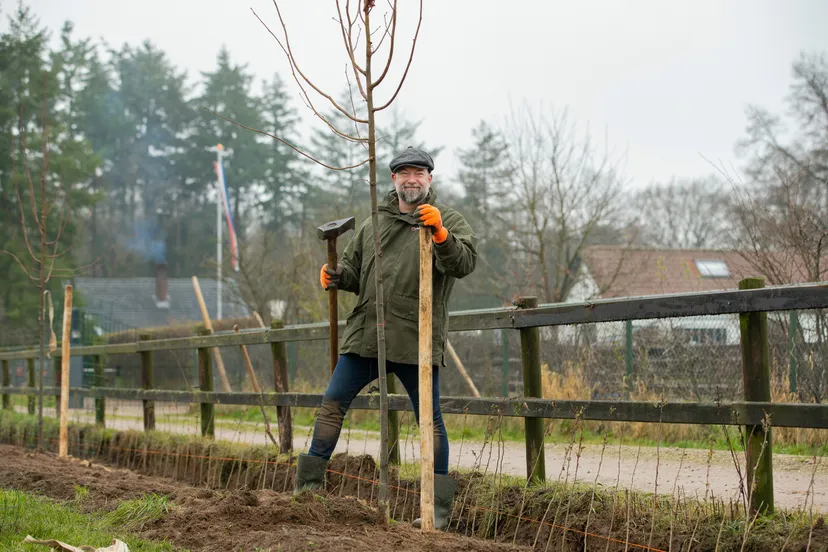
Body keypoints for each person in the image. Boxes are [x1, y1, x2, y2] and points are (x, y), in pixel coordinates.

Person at [293, 146, 478, 530]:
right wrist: (336, 276)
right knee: (331, 404)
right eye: (404, 173)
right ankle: (307, 493)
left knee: (430, 421)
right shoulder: (374, 223)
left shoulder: (449, 219)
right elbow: (358, 274)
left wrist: (441, 234)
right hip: (367, 335)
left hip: (417, 338)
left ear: (430, 179)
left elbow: (462, 263)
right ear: (393, 179)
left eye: (419, 173)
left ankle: (436, 512)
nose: (412, 179)